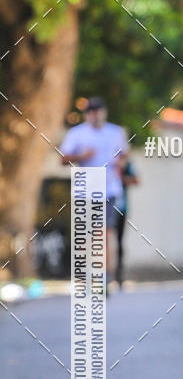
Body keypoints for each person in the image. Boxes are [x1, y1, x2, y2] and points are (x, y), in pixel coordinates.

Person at [60, 97, 129, 286]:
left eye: (98, 111)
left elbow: (124, 155)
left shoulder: (116, 132)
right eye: (91, 111)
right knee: (84, 235)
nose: (95, 115)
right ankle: (84, 277)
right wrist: (82, 156)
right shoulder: (77, 133)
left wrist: (120, 163)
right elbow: (63, 159)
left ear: (104, 112)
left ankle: (104, 277)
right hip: (85, 191)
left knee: (102, 233)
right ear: (86, 114)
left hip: (108, 190)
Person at [114, 159, 140, 288]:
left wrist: (119, 178)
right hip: (104, 207)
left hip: (121, 208)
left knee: (119, 242)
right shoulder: (103, 159)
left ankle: (119, 276)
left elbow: (136, 180)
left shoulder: (127, 164)